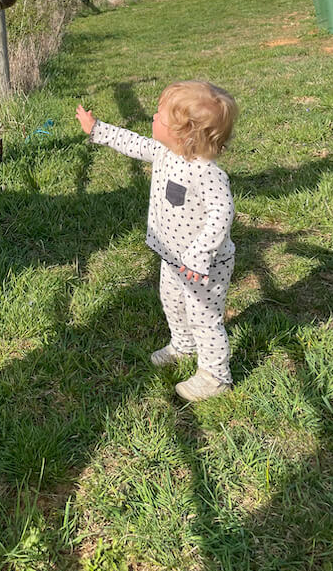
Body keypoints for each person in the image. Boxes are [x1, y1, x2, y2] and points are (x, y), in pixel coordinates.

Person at [76, 81, 238, 402]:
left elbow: (223, 213)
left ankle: (216, 375)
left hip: (203, 267)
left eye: (161, 117)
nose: (153, 117)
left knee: (205, 319)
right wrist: (97, 129)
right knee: (172, 302)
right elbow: (133, 143)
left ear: (185, 134)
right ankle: (182, 345)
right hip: (173, 257)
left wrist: (199, 255)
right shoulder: (166, 152)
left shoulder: (206, 173)